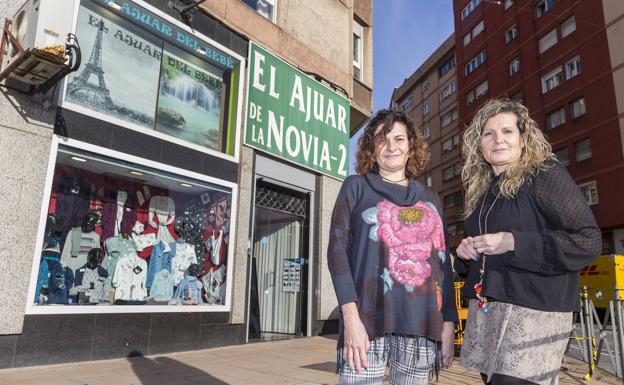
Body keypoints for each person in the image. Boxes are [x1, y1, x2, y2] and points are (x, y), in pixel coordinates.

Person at [455, 99, 601, 385]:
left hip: (536, 310)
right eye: (489, 133)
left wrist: (514, 242)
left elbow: (588, 241)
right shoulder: (482, 194)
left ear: (523, 140)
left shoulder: (544, 173)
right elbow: (484, 255)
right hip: (489, 309)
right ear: (479, 146)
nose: (498, 139)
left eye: (507, 131)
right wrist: (465, 253)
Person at [327, 109, 457, 385]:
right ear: (371, 149)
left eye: (399, 139)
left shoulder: (431, 197)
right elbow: (337, 253)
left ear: (411, 146)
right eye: (381, 139)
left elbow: (444, 266)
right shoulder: (355, 188)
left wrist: (448, 324)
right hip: (366, 322)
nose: (391, 146)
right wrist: (350, 319)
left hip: (422, 322)